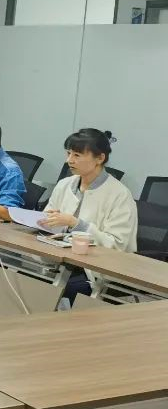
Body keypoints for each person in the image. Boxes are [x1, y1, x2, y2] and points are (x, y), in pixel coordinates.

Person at [41, 129, 137, 302]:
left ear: (100, 158)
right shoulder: (64, 185)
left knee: (64, 290)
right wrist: (48, 221)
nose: (69, 160)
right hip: (60, 259)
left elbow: (117, 246)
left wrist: (76, 224)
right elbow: (46, 219)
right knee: (25, 275)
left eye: (77, 155)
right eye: (69, 153)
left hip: (96, 270)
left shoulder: (120, 194)